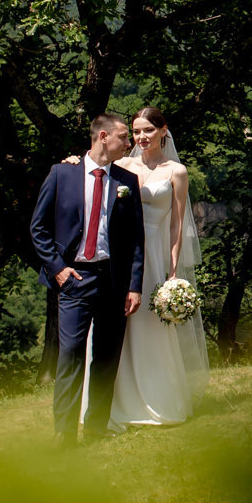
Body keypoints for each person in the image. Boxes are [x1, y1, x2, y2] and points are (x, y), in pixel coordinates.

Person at [66, 107, 209, 429]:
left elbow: (177, 223)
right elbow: (92, 173)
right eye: (136, 132)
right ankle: (113, 403)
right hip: (121, 253)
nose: (141, 137)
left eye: (148, 130)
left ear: (163, 130)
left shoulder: (177, 171)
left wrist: (172, 269)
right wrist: (74, 162)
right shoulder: (122, 165)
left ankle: (157, 398)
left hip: (155, 252)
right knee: (114, 326)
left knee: (150, 325)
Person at [29, 113, 146, 444]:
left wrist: (134, 285)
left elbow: (137, 238)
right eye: (124, 137)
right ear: (104, 137)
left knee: (107, 358)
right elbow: (38, 228)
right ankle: (63, 435)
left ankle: (96, 429)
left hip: (113, 279)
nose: (130, 143)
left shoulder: (126, 180)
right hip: (74, 279)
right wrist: (58, 269)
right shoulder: (61, 174)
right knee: (70, 357)